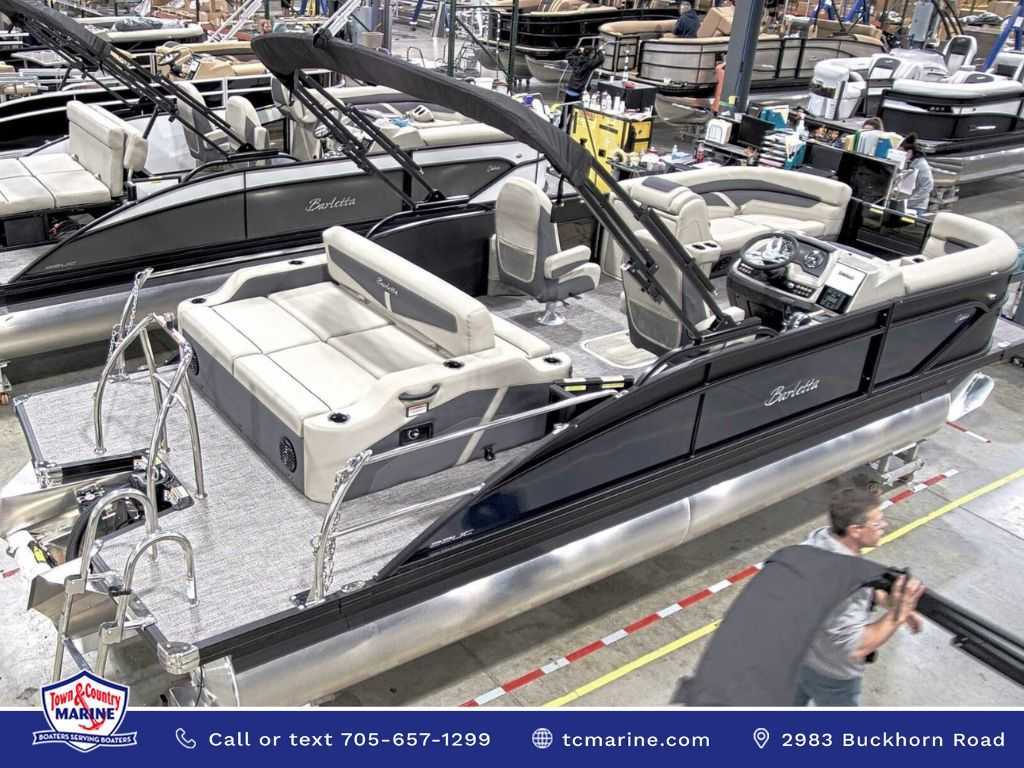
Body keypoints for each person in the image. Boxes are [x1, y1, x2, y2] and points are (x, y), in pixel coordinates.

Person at [794, 486, 925, 707]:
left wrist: (887, 600)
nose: (884, 526)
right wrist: (898, 614)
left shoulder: (817, 542)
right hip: (830, 675)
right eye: (877, 523)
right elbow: (856, 648)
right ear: (855, 530)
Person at [900, 133, 934, 217]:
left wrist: (910, 201)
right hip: (905, 203)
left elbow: (928, 186)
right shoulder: (908, 162)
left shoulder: (921, 164)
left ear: (909, 152)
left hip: (916, 206)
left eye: (901, 152)